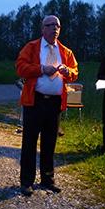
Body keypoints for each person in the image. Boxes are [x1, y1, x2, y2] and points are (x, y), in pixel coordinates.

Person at [15, 15, 78, 196]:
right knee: (29, 143)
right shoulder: (32, 47)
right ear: (43, 29)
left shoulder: (65, 51)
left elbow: (75, 72)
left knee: (50, 143)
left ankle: (47, 180)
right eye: (50, 25)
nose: (55, 28)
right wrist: (41, 69)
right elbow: (20, 67)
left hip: (55, 103)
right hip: (35, 101)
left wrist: (68, 72)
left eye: (57, 25)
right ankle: (26, 182)